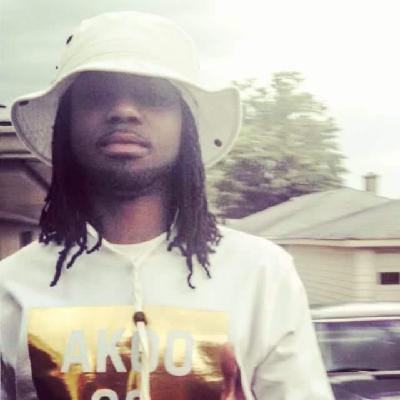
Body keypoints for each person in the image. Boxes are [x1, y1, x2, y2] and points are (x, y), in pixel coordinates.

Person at [0, 11, 334, 400]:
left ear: (186, 129)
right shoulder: (10, 286)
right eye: (97, 95)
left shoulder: (261, 273)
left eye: (153, 97)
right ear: (66, 127)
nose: (124, 111)